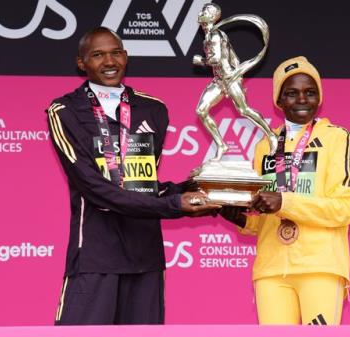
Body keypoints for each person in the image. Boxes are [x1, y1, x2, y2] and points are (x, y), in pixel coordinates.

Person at [46, 27, 220, 325]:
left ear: (126, 57)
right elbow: (94, 188)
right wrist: (174, 206)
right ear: (81, 63)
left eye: (115, 52)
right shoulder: (64, 111)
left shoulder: (154, 109)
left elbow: (143, 189)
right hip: (95, 256)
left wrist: (197, 189)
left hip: (145, 257)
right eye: (97, 55)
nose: (109, 61)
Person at [220, 56, 350, 325]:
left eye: (310, 93)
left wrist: (284, 201)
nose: (302, 99)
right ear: (279, 100)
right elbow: (265, 217)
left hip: (319, 266)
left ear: (319, 98)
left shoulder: (339, 138)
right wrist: (240, 217)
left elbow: (344, 209)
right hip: (271, 268)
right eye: (291, 93)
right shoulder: (265, 146)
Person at [193, 3, 278, 161]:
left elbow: (216, 59)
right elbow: (233, 56)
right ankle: (221, 145)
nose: (201, 13)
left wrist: (202, 61)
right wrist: (240, 74)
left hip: (229, 79)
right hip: (219, 81)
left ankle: (272, 135)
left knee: (244, 110)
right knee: (201, 111)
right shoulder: (212, 35)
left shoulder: (215, 35)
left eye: (205, 11)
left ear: (212, 16)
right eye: (202, 10)